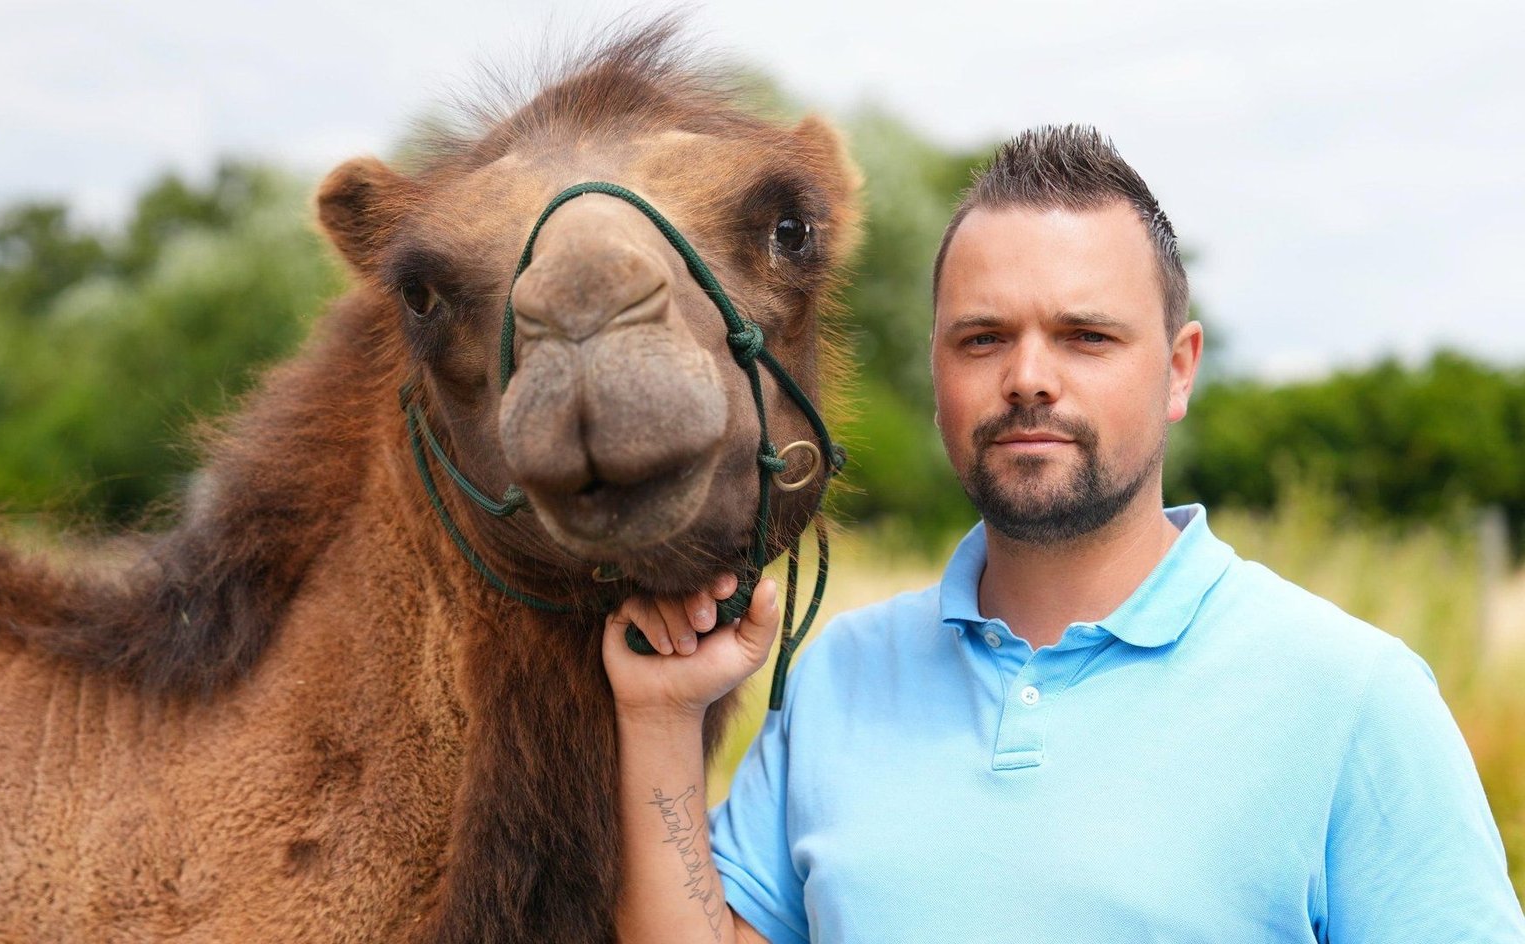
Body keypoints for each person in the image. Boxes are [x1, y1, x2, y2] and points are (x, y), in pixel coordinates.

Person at [602, 124, 1525, 943]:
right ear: (936, 375)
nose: (1028, 377)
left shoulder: (1355, 699)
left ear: (1177, 369)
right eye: (981, 339)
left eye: (1085, 335)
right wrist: (660, 717)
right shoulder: (842, 677)